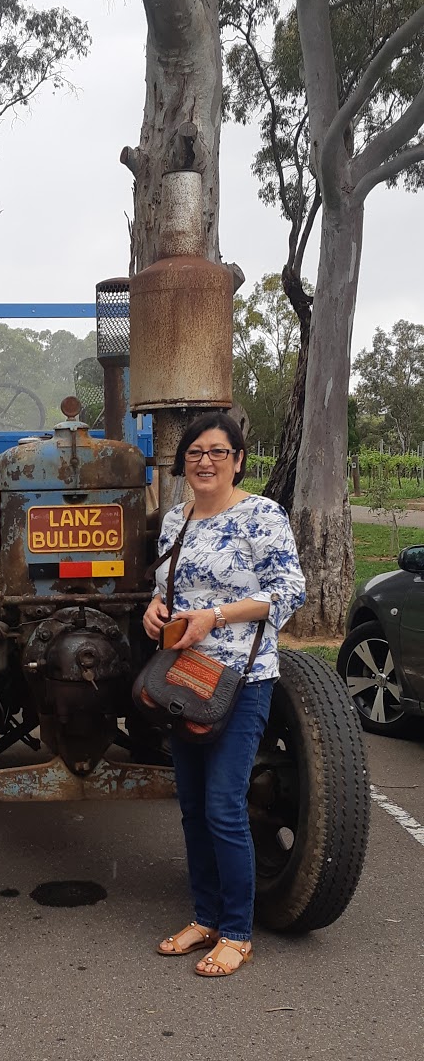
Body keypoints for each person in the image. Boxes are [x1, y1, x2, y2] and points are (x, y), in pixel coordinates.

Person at [143, 412, 305, 977]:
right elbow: (166, 584)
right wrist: (153, 607)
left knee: (223, 806)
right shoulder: (175, 520)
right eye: (195, 453)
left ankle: (238, 931)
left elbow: (289, 590)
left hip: (243, 678)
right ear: (183, 462)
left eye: (217, 451)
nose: (205, 461)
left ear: (237, 459)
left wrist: (214, 615)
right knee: (191, 806)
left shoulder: (262, 515)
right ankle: (206, 916)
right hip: (185, 677)